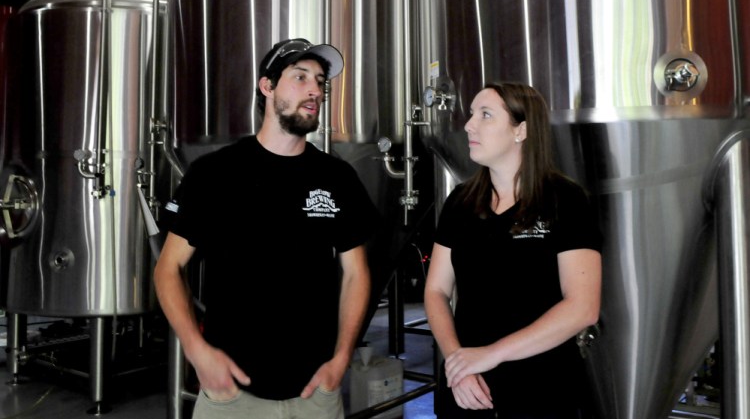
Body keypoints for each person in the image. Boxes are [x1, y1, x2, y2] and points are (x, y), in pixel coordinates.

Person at [154, 38, 380, 419]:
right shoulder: (215, 173)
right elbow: (168, 269)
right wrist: (196, 351)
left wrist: (341, 359)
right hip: (232, 395)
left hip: (316, 394)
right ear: (267, 87)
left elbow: (356, 274)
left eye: (321, 81)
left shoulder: (337, 177)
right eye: (300, 77)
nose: (315, 90)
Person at [424, 83, 602, 419]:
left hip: (540, 391)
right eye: (472, 113)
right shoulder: (460, 203)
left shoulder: (564, 199)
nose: (468, 125)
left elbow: (583, 307)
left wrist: (490, 354)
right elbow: (435, 290)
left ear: (521, 130)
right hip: (466, 390)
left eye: (485, 115)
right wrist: (458, 361)